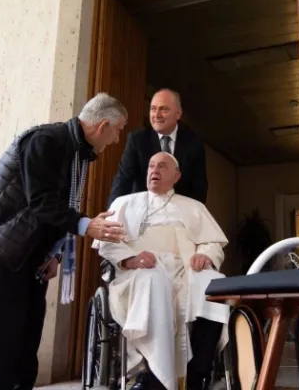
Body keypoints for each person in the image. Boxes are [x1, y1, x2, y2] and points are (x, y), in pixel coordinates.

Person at [0, 92, 129, 390]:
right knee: (1, 339)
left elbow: (56, 209)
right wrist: (86, 224)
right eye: (117, 132)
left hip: (29, 251)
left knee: (27, 335)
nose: (116, 140)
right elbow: (41, 202)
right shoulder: (45, 141)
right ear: (103, 126)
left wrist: (55, 254)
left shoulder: (77, 152)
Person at [93, 152, 228, 390]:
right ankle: (155, 377)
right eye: (151, 166)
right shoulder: (123, 203)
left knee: (215, 284)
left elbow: (213, 242)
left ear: (176, 176)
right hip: (139, 272)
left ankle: (197, 374)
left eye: (162, 166)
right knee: (154, 281)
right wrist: (130, 259)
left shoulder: (193, 206)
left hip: (184, 269)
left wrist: (204, 254)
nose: (154, 170)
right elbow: (107, 242)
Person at [108, 88, 208, 206]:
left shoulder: (193, 142)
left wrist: (190, 217)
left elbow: (199, 187)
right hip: (142, 211)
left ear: (178, 113)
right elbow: (123, 180)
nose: (156, 115)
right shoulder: (137, 139)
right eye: (153, 109)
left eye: (163, 109)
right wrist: (111, 215)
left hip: (178, 214)